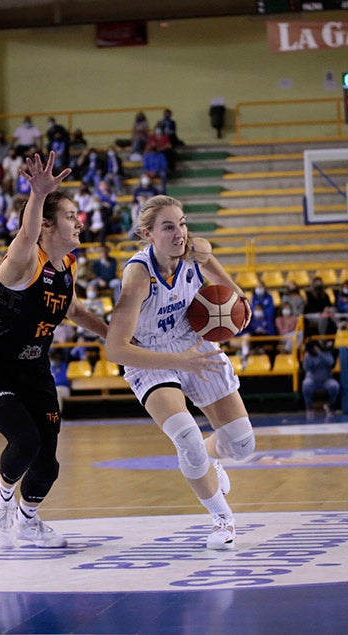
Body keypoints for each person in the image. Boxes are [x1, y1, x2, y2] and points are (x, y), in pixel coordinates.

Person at [0, 152, 108, 549]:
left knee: (49, 463)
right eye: (71, 215)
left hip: (33, 368)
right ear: (46, 224)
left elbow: (74, 310)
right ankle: (2, 502)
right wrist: (38, 195)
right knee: (24, 441)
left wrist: (113, 336)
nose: (79, 221)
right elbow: (25, 236)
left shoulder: (67, 268)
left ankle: (27, 521)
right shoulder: (22, 263)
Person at [105, 194, 256, 551]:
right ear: (148, 235)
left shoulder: (193, 249)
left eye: (183, 223)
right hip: (150, 355)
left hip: (193, 343)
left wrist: (238, 296)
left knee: (242, 445)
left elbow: (210, 262)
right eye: (169, 227)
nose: (180, 233)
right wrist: (179, 362)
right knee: (186, 439)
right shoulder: (138, 277)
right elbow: (115, 349)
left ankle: (209, 460)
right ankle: (222, 519)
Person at [300, 339, 340, 416]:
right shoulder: (308, 356)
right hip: (312, 380)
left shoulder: (326, 353)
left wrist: (319, 353)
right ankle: (309, 408)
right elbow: (306, 368)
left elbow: (331, 362)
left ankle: (330, 405)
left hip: (326, 380)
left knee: (335, 386)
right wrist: (307, 357)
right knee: (306, 385)